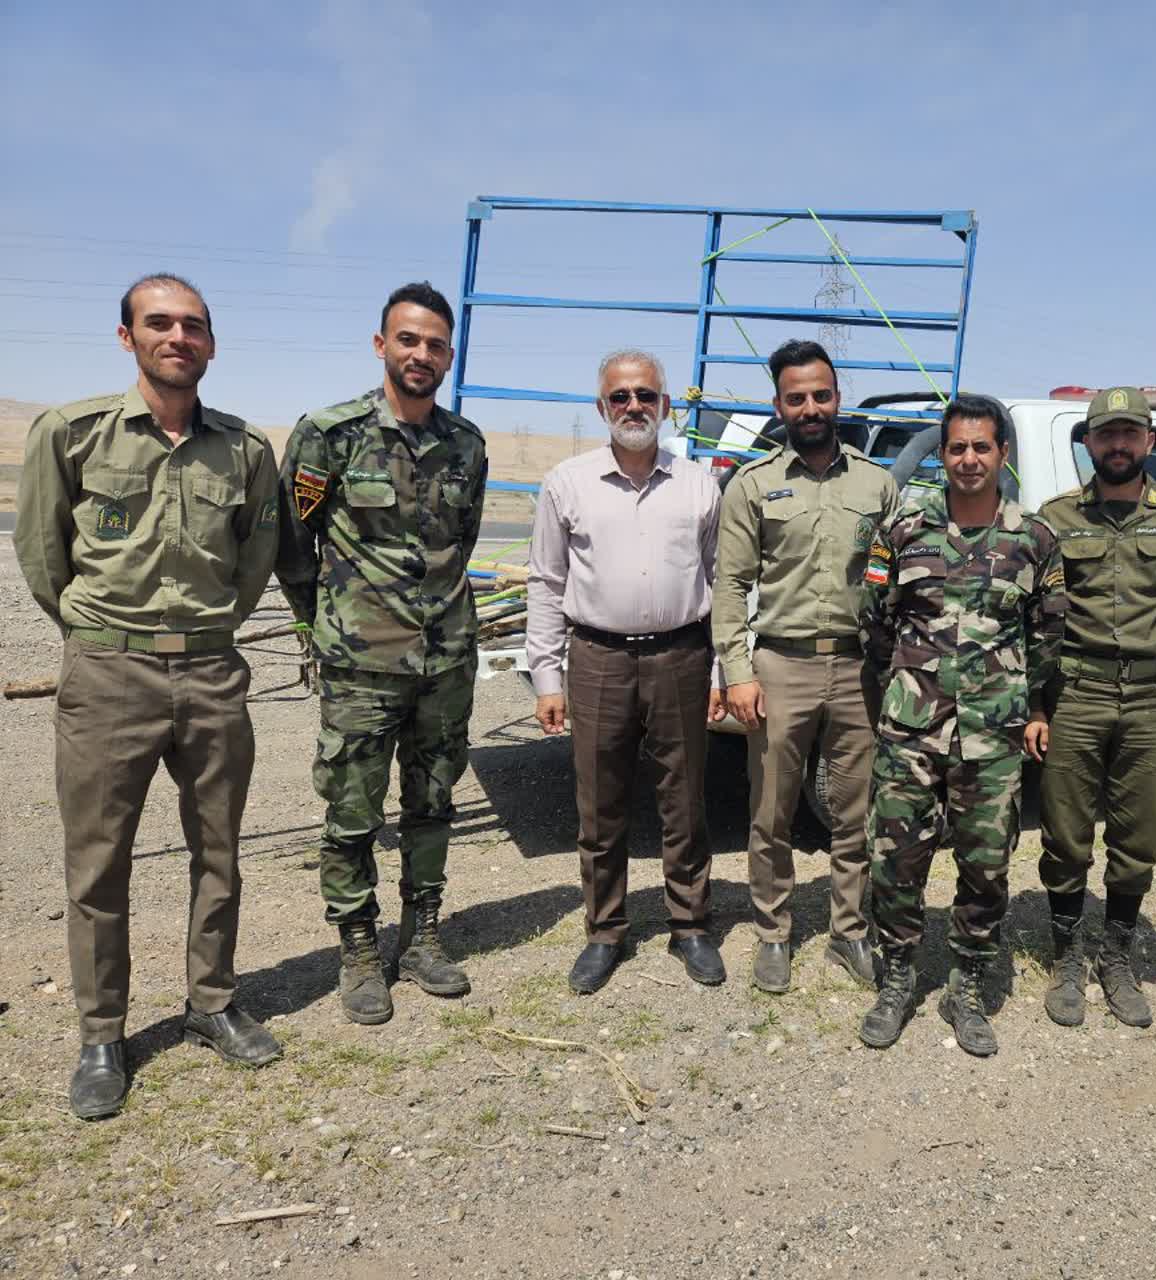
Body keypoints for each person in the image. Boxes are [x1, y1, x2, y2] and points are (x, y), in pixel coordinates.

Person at [16, 273, 283, 1118]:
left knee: (219, 851)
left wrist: (209, 631)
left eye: (193, 326)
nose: (178, 337)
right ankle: (102, 1035)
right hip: (108, 675)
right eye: (159, 323)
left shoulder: (244, 450)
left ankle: (212, 1003)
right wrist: (100, 635)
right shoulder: (73, 433)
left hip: (211, 672)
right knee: (99, 863)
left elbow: (254, 561)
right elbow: (42, 555)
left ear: (212, 344)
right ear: (127, 336)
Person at [275, 281, 487, 1026]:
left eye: (435, 345)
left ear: (448, 356)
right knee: (352, 813)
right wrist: (322, 628)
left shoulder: (466, 444)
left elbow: (460, 543)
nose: (421, 354)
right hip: (361, 667)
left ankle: (422, 935)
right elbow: (292, 547)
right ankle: (359, 948)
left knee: (433, 804)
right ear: (381, 345)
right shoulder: (328, 435)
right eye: (408, 339)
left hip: (445, 662)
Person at [856, 396, 1064, 1056]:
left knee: (986, 867)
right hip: (911, 732)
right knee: (895, 860)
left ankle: (965, 986)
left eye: (981, 447)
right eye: (956, 448)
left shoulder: (1034, 540)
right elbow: (874, 622)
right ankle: (897, 976)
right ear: (942, 455)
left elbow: (1047, 636)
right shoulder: (903, 530)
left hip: (992, 737)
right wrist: (906, 689)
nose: (969, 459)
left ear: (1002, 454)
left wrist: (1016, 699)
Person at [526, 350, 727, 993]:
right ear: (601, 407)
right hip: (598, 659)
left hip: (681, 656)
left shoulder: (699, 484)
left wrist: (721, 671)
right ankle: (605, 930)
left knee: (685, 799)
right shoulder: (567, 483)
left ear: (664, 405)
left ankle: (689, 925)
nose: (633, 406)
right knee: (600, 803)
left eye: (645, 395)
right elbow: (546, 582)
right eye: (620, 396)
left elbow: (723, 582)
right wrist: (548, 677)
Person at [712, 340, 899, 993]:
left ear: (837, 398)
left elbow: (896, 580)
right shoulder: (753, 484)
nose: (811, 407)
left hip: (856, 669)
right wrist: (737, 672)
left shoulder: (876, 484)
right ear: (778, 405)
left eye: (821, 395)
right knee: (771, 812)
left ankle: (849, 930)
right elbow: (730, 585)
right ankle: (773, 933)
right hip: (779, 667)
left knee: (855, 811)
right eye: (797, 398)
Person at [1035, 386, 1156, 1029]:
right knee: (1064, 835)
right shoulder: (1057, 517)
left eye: (1129, 433)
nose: (1118, 445)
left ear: (1149, 441)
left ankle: (1115, 956)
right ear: (1088, 443)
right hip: (1076, 696)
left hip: (1151, 700)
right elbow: (1040, 622)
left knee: (1137, 835)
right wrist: (1036, 706)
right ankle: (1066, 957)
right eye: (1106, 434)